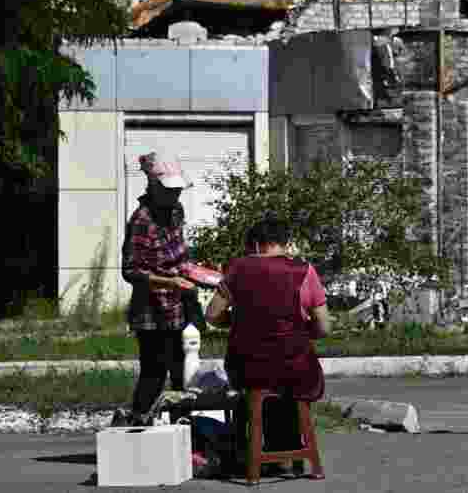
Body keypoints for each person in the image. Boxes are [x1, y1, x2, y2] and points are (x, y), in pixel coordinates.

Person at [205, 216, 332, 467]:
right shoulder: (304, 271)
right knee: (290, 380)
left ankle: (246, 452)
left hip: (247, 369)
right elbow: (324, 326)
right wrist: (304, 331)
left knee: (253, 389)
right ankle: (288, 450)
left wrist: (238, 322)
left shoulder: (238, 269)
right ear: (286, 243)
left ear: (254, 245)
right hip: (296, 369)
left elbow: (211, 315)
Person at [120, 152, 197, 425]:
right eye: (169, 191)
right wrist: (169, 281)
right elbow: (130, 271)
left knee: (182, 372)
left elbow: (180, 255)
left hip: (180, 304)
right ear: (153, 186)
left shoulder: (176, 211)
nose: (175, 196)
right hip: (151, 311)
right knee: (154, 371)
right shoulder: (141, 220)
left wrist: (197, 272)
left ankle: (182, 430)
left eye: (178, 190)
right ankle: (137, 425)